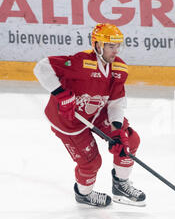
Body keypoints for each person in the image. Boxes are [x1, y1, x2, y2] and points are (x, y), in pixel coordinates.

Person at [34, 23, 146, 207]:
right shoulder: (81, 62)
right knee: (91, 163)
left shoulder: (119, 69)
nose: (115, 50)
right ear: (97, 45)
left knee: (129, 141)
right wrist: (61, 94)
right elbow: (42, 67)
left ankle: (120, 184)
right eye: (111, 46)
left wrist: (117, 130)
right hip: (68, 119)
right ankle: (84, 194)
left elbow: (115, 103)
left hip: (98, 112)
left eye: (117, 45)